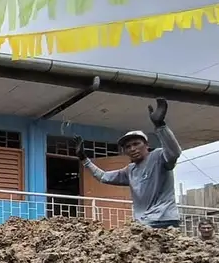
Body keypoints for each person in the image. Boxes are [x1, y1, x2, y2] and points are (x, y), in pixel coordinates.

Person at [75, 98, 183, 229]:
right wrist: (84, 159)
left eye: (136, 144)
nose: (132, 149)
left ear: (146, 145)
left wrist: (160, 126)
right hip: (143, 222)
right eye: (128, 147)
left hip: (164, 219)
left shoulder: (159, 157)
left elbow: (174, 152)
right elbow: (103, 176)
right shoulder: (130, 170)